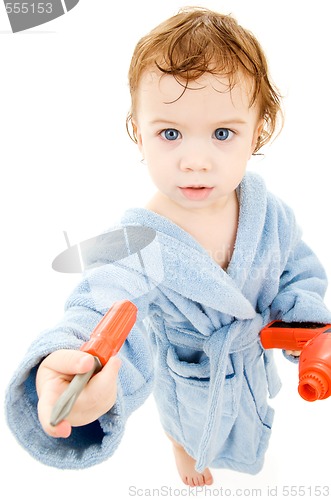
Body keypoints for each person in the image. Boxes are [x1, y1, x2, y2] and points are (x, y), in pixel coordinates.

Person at [5, 6, 331, 488]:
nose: (194, 160)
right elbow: (102, 303)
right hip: (192, 378)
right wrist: (76, 357)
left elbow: (297, 269)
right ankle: (179, 444)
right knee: (187, 426)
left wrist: (303, 322)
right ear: (139, 131)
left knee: (248, 416)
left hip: (246, 368)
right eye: (170, 133)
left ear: (258, 130)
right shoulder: (139, 241)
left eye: (223, 133)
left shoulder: (268, 213)